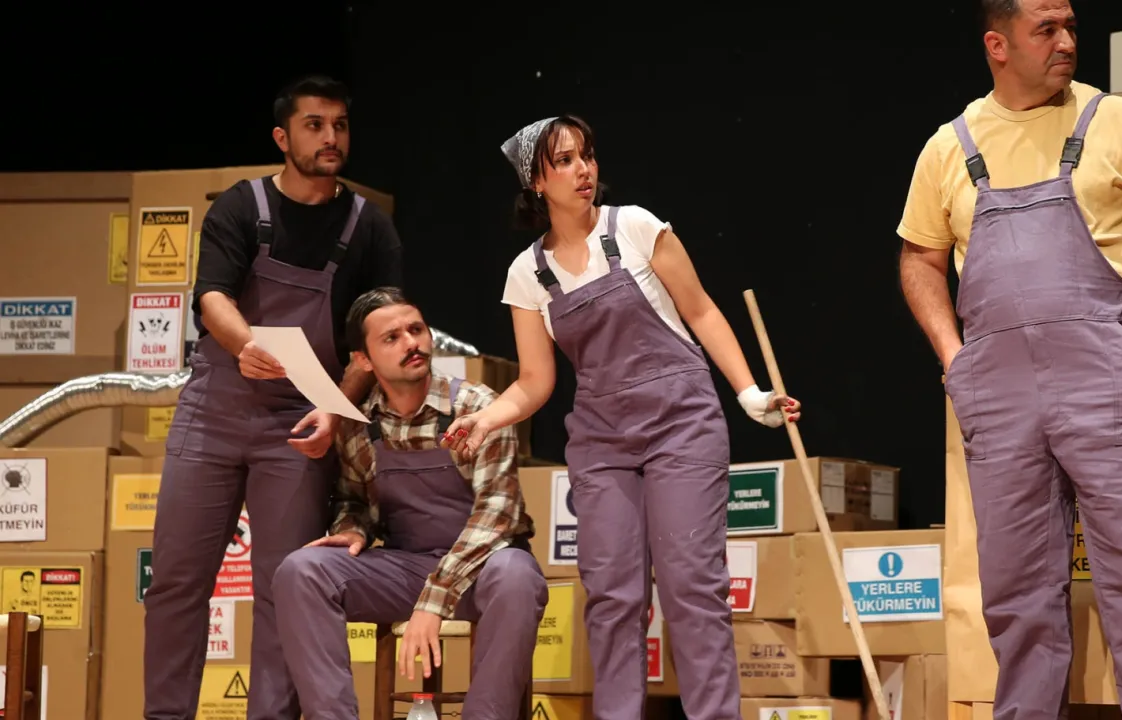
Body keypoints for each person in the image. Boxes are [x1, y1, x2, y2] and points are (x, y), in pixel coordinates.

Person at [897, 1, 1122, 718]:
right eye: (1046, 29)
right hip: (999, 397)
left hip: (1107, 382)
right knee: (1017, 596)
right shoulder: (949, 147)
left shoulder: (1113, 121)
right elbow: (919, 259)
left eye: (1070, 26)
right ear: (998, 44)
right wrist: (954, 358)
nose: (1067, 41)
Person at [440, 114, 801, 720]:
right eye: (563, 161)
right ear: (536, 182)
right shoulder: (527, 273)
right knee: (612, 596)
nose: (582, 170)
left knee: (691, 587)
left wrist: (748, 393)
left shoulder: (634, 226)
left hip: (681, 424)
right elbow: (534, 381)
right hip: (602, 440)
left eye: (586, 155)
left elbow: (701, 311)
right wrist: (486, 419)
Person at [144, 75, 403, 720]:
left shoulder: (369, 229)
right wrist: (244, 345)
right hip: (215, 409)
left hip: (301, 421)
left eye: (340, 125)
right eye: (315, 125)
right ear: (283, 137)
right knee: (176, 581)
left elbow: (377, 337)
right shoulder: (240, 207)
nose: (331, 137)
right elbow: (211, 296)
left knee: (282, 588)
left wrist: (336, 412)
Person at [272, 287, 547, 720]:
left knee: (517, 576)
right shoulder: (360, 425)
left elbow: (498, 515)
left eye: (416, 330)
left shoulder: (475, 407)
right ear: (363, 360)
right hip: (405, 570)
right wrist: (351, 528)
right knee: (301, 571)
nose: (411, 343)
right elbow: (352, 498)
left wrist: (433, 602)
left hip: (482, 571)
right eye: (392, 338)